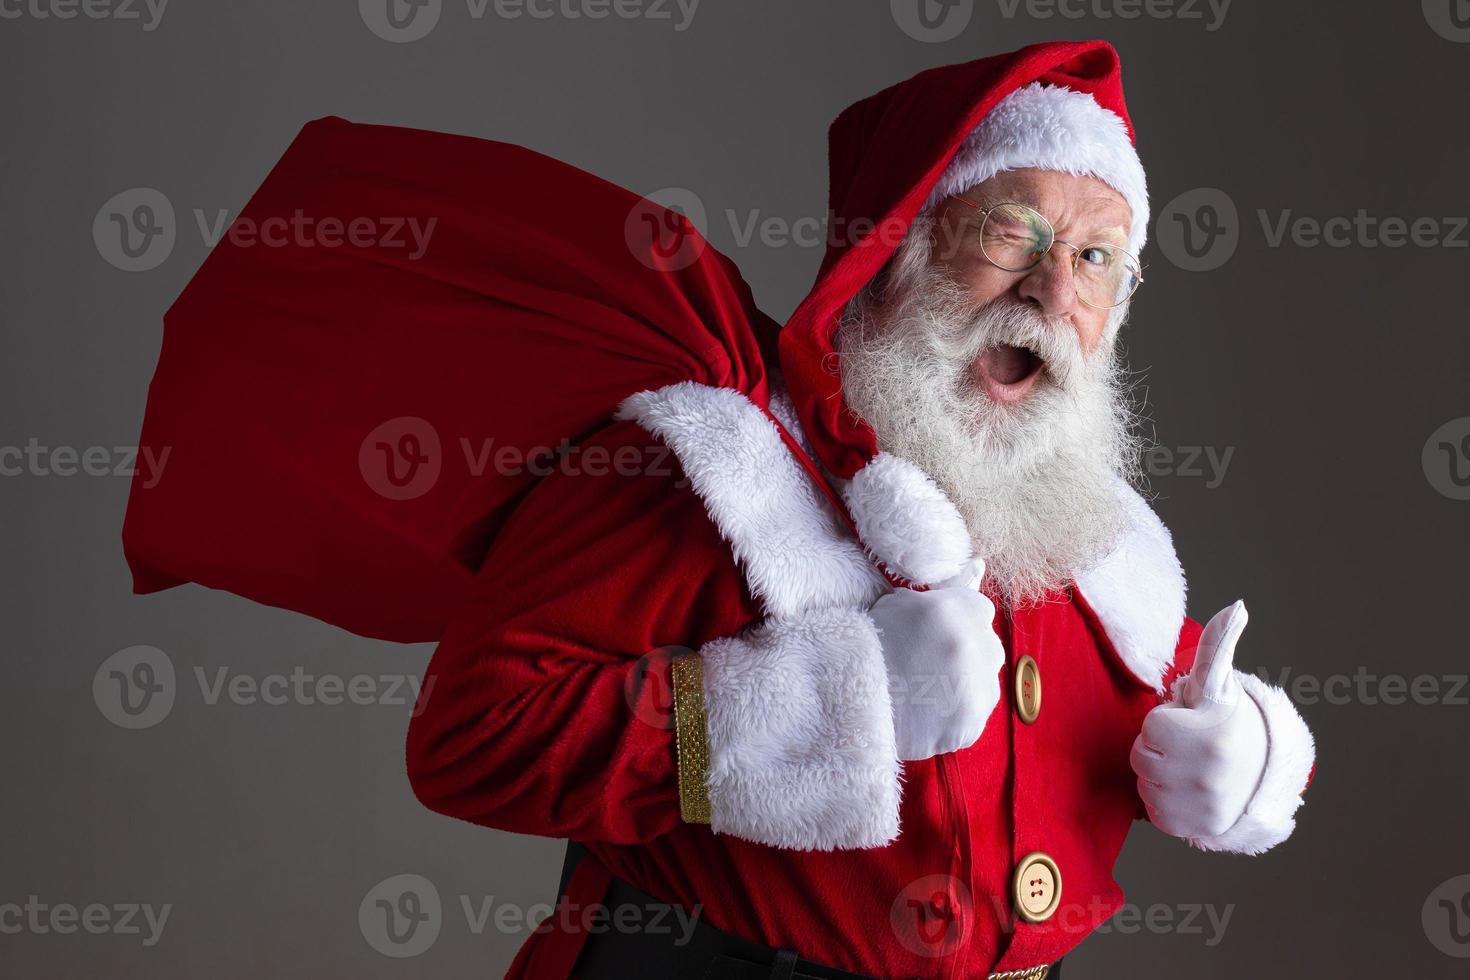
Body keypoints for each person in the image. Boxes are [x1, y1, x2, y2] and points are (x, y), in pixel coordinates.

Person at [394, 38, 1316, 980]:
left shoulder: (1091, 536)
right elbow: (476, 733)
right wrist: (838, 704)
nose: (1051, 292)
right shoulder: (717, 467)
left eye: (1094, 258)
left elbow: (1179, 701)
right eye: (1012, 237)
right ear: (902, 247)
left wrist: (1246, 757)